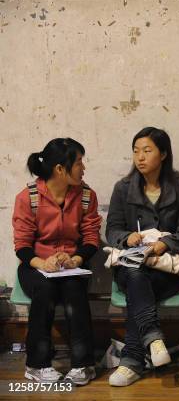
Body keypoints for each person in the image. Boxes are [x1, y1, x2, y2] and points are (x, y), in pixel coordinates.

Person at [106, 127, 179, 386]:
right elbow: (111, 229)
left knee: (139, 286)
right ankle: (153, 340)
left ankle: (133, 359)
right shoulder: (123, 188)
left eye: (147, 150)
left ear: (164, 154)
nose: (140, 157)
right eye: (136, 151)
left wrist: (164, 244)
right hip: (130, 266)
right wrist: (126, 238)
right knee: (135, 274)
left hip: (164, 271)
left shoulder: (178, 187)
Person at [13, 138, 101, 385]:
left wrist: (75, 258)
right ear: (60, 169)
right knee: (45, 288)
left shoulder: (86, 196)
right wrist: (43, 263)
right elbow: (22, 245)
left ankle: (83, 364)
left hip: (71, 265)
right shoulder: (28, 197)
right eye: (79, 162)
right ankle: (37, 364)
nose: (83, 168)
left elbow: (92, 237)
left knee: (74, 288)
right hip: (36, 267)